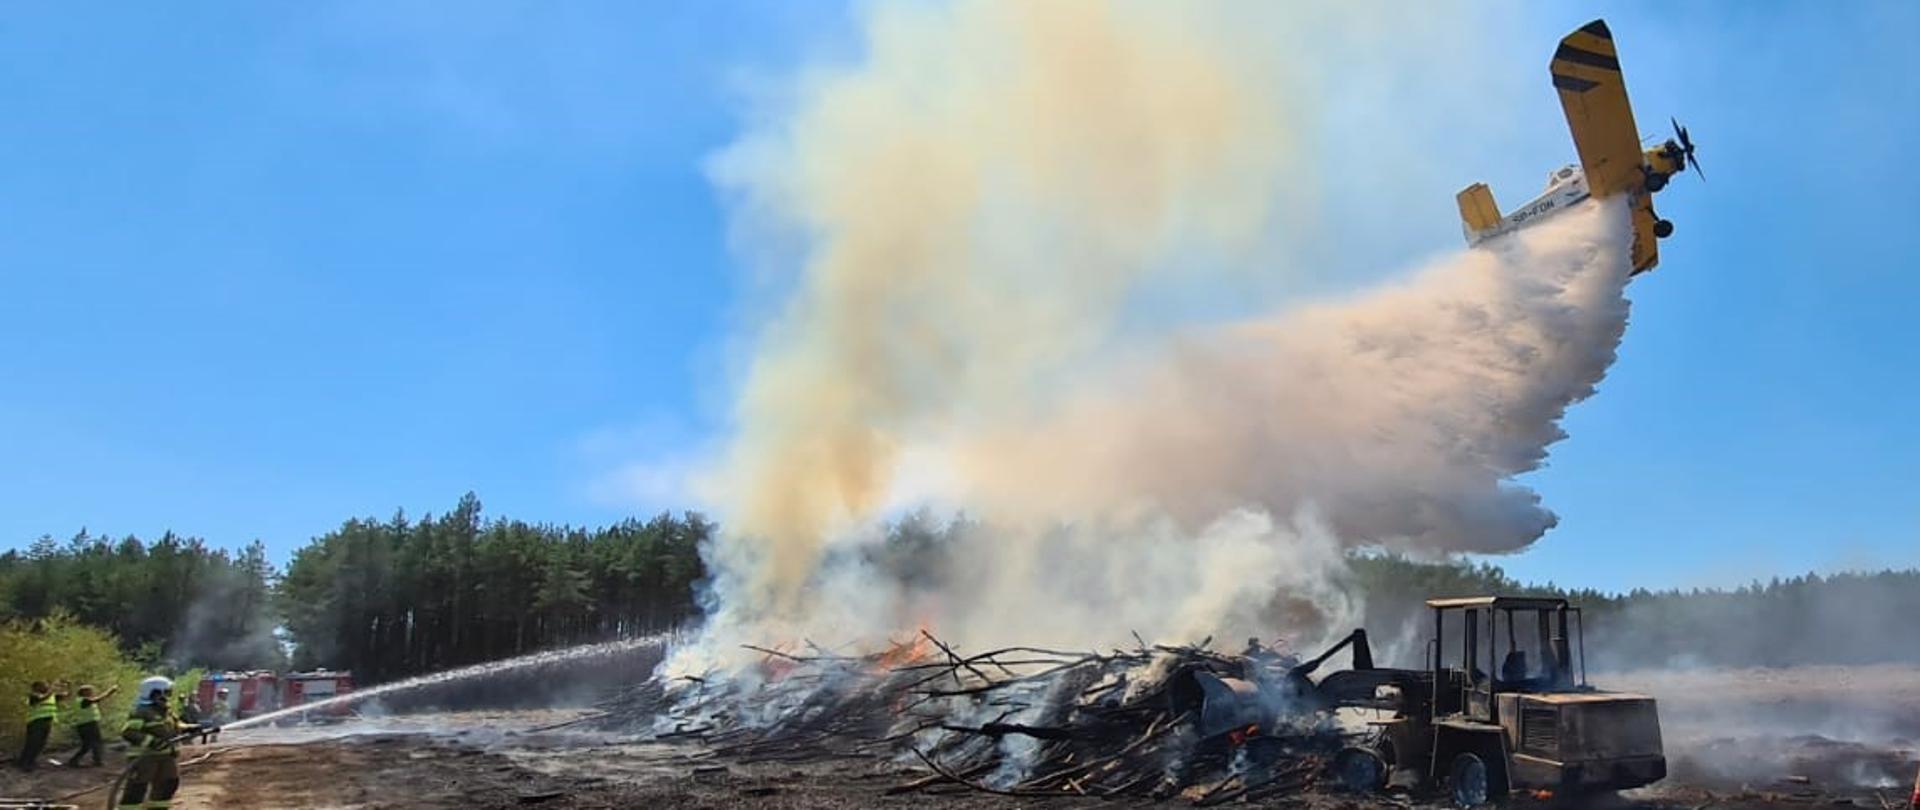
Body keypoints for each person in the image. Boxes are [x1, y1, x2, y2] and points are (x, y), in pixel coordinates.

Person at [120, 676, 209, 810]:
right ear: (154, 693)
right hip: (145, 757)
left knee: (168, 784)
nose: (168, 696)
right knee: (137, 788)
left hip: (167, 756)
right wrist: (153, 742)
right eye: (166, 692)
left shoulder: (165, 710)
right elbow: (129, 732)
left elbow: (176, 725)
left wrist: (191, 727)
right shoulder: (141, 711)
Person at [64, 683, 120, 768]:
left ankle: (75, 761)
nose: (92, 693)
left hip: (84, 724)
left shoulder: (80, 700)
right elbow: (98, 699)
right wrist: (111, 691)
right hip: (88, 724)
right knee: (95, 743)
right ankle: (97, 761)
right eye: (90, 691)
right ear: (84, 692)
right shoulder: (84, 700)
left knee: (88, 745)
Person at [14, 680, 62, 770]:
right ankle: (24, 762)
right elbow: (40, 699)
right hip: (36, 722)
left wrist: (66, 687)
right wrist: (52, 689)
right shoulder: (33, 695)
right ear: (36, 687)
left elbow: (64, 696)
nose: (46, 687)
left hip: (47, 722)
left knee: (41, 744)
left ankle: (31, 761)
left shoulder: (50, 696)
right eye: (44, 686)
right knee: (32, 743)